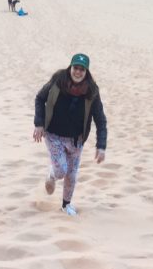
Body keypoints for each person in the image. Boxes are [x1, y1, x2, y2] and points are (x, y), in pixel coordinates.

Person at [33, 53, 107, 217]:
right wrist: (38, 124)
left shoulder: (92, 91)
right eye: (76, 68)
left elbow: (100, 119)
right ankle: (51, 175)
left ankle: (66, 205)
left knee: (72, 175)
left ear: (86, 72)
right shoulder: (58, 81)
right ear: (70, 67)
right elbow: (39, 98)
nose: (78, 72)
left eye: (82, 69)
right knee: (61, 170)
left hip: (76, 140)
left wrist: (101, 146)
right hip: (53, 135)